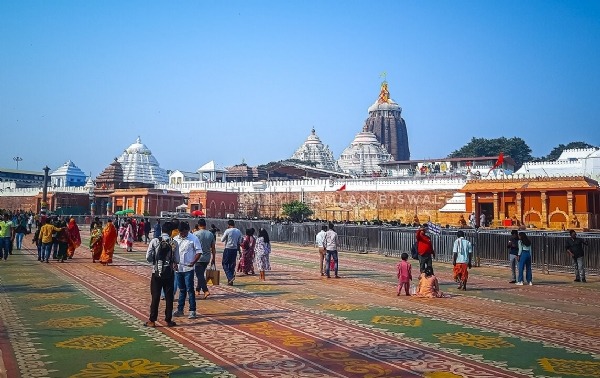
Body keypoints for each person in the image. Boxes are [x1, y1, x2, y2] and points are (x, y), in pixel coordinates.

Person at [144, 221, 178, 327]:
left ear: (162, 230)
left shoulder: (155, 241)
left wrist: (155, 261)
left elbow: (148, 257)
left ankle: (152, 320)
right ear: (170, 231)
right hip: (169, 273)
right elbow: (177, 259)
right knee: (169, 297)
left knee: (155, 296)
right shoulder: (174, 242)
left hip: (156, 272)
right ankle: (168, 319)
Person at [172, 221, 201, 319]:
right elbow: (172, 253)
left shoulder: (193, 239)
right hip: (178, 269)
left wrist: (193, 262)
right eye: (180, 232)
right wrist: (174, 263)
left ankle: (192, 310)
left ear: (187, 230)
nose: (182, 234)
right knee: (182, 290)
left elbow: (198, 252)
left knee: (190, 289)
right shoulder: (175, 239)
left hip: (188, 268)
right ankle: (180, 310)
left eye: (183, 232)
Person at [193, 218, 216, 299]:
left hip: (198, 257)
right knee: (201, 274)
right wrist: (214, 258)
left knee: (199, 275)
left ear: (198, 225)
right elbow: (213, 247)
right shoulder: (210, 234)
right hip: (207, 257)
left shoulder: (195, 234)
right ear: (205, 225)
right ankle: (198, 289)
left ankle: (205, 290)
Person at [221, 220, 243, 285]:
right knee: (232, 265)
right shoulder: (238, 231)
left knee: (224, 263)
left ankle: (230, 277)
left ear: (228, 225)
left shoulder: (227, 231)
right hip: (234, 249)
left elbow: (222, 240)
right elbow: (240, 241)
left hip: (228, 248)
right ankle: (230, 281)